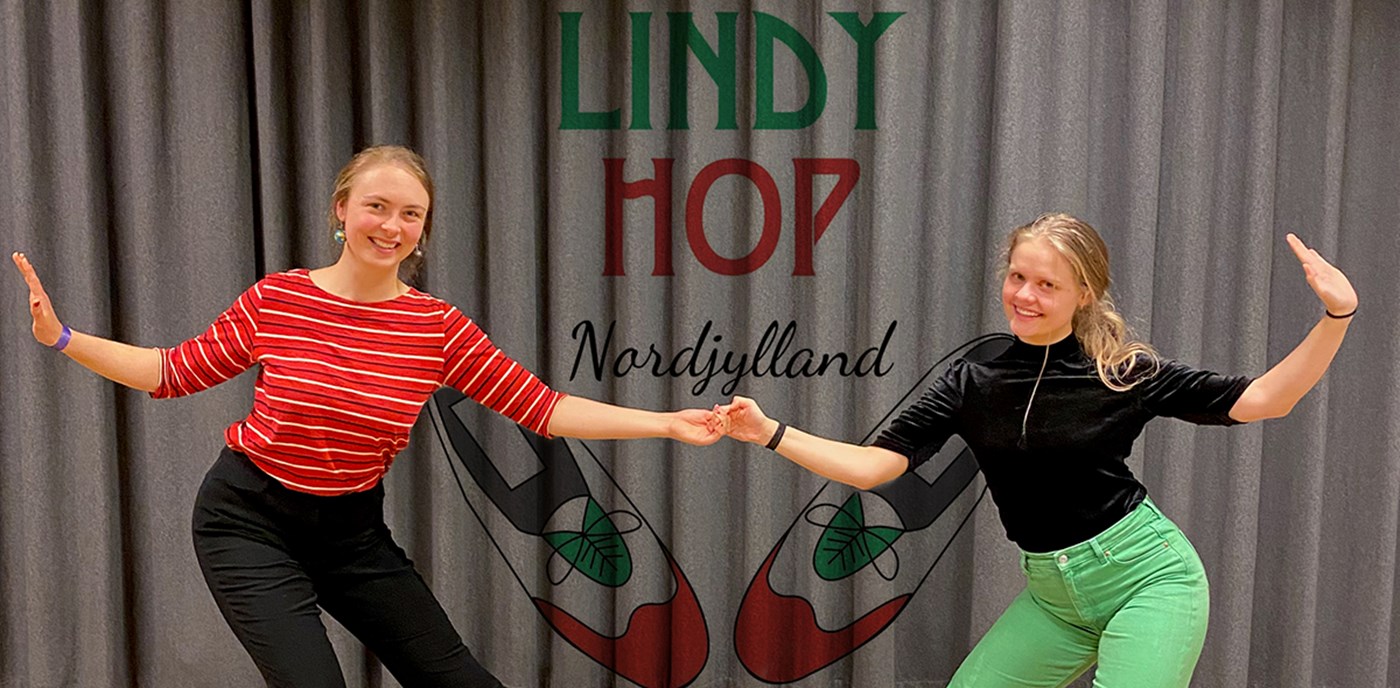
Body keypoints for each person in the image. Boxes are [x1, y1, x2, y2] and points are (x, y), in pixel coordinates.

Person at [11, 145, 723, 688]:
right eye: (377, 206)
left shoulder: (436, 328)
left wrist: (665, 423)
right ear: (341, 211)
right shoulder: (279, 300)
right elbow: (170, 371)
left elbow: (545, 408)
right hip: (248, 522)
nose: (392, 226)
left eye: (411, 214)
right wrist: (62, 338)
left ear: (424, 229)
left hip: (351, 534)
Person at [717, 212, 1355, 687]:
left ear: (1084, 293)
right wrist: (770, 432)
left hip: (1148, 579)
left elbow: (1265, 399)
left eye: (1047, 284)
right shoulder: (972, 381)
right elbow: (872, 466)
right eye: (1018, 277)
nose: (1024, 295)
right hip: (1055, 597)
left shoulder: (1122, 371)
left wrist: (1336, 317)